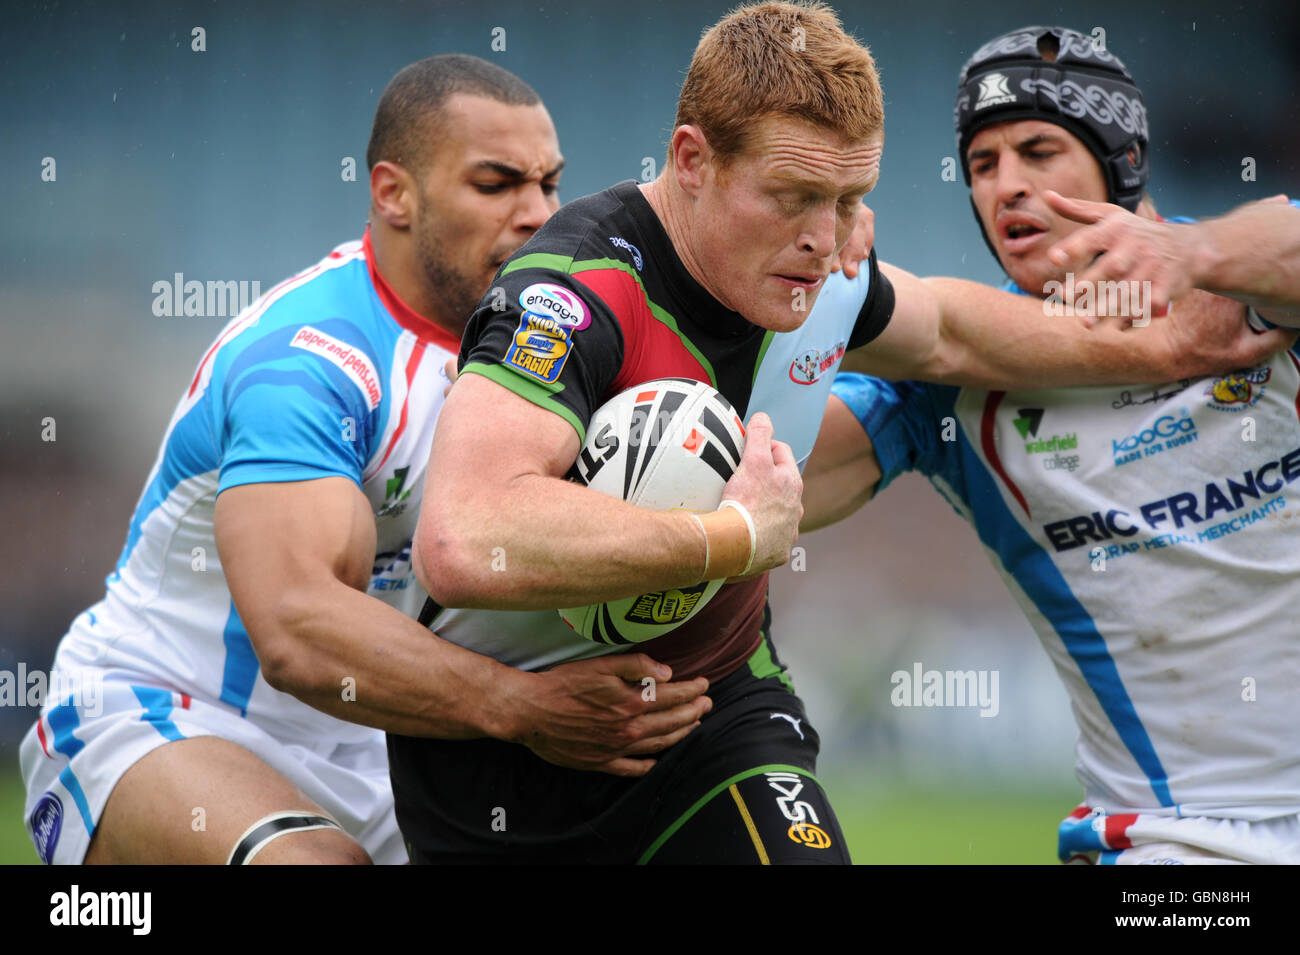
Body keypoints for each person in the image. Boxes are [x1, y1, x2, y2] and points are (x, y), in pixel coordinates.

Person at [392, 4, 1284, 865]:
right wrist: (728, 536)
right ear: (692, 160)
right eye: (794, 195)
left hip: (714, 712)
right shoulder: (573, 292)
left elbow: (949, 332)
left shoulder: (821, 277)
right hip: (502, 752)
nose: (825, 240)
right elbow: (464, 536)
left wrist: (1174, 330)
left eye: (849, 196)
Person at [20, 54, 717, 866]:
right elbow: (295, 628)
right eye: (496, 185)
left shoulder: (548, 348)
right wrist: (527, 707)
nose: (537, 214)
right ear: (393, 194)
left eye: (550, 184)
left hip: (371, 750)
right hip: (160, 717)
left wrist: (833, 253)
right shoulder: (307, 359)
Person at [812, 24, 1300, 864]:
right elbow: (777, 489)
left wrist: (1198, 252)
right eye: (982, 165)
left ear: (1123, 160)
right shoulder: (945, 387)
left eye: (1039, 150)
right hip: (1177, 845)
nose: (1008, 187)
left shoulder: (1251, 284)